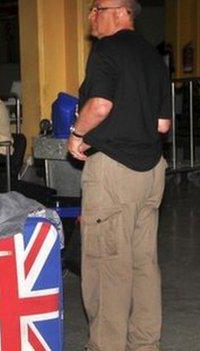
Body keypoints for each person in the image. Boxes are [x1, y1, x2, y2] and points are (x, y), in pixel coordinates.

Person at [67, 1, 171, 350]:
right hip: (152, 171)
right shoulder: (152, 55)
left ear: (118, 10)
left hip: (113, 170)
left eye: (95, 8)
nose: (91, 16)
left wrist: (76, 134)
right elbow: (162, 124)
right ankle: (145, 344)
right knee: (144, 264)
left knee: (107, 266)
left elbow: (99, 105)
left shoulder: (106, 49)